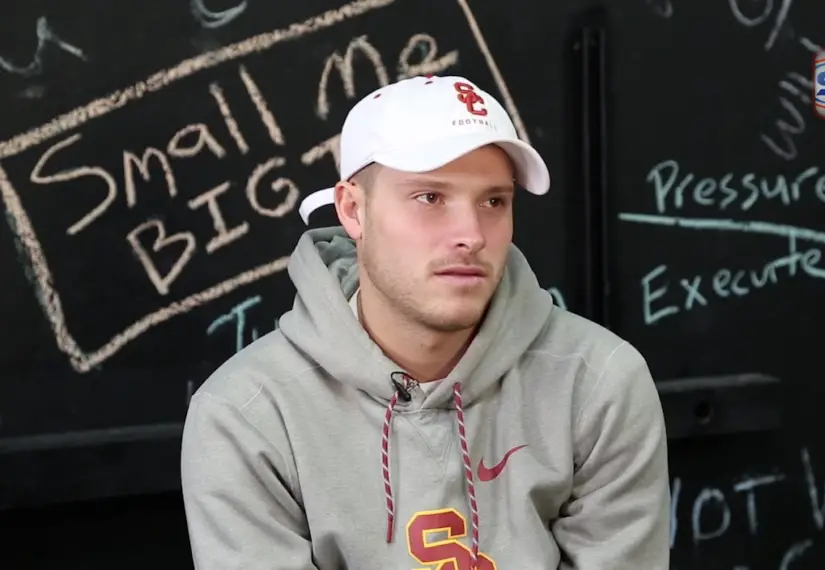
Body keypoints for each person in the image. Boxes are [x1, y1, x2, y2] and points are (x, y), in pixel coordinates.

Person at [180, 74, 670, 569]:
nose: (471, 234)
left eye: (493, 201)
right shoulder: (246, 414)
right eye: (430, 198)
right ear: (353, 209)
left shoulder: (598, 381)